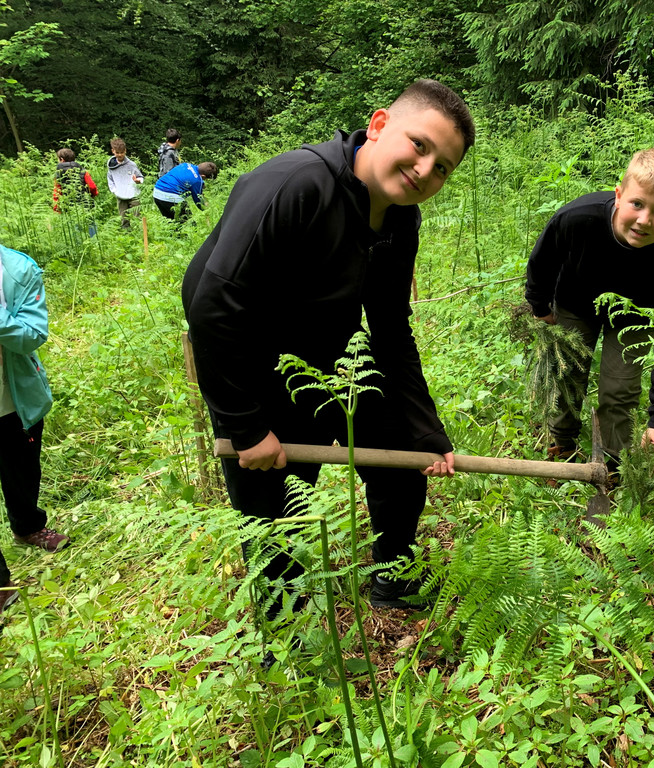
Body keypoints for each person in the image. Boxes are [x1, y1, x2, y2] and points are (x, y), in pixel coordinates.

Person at [182, 79, 474, 619]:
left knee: (403, 461)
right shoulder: (295, 184)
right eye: (420, 145)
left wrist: (425, 428)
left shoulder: (401, 218)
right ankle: (284, 636)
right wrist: (245, 426)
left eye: (443, 168)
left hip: (331, 357)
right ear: (380, 124)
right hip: (252, 369)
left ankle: (394, 577)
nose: (426, 170)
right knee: (277, 512)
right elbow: (211, 306)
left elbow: (389, 326)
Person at [525, 147, 654, 479]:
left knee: (620, 388)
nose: (644, 220)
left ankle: (615, 461)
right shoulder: (579, 218)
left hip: (633, 314)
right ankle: (561, 442)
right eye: (637, 204)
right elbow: (544, 259)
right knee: (566, 373)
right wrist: (540, 306)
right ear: (619, 195)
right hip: (576, 301)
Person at [0, 243, 69, 557]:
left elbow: (33, 334)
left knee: (22, 466)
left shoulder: (17, 270)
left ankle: (27, 526)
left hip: (14, 395)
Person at [52, 148, 100, 237]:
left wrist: (56, 208)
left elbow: (57, 193)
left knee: (76, 227)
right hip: (86, 203)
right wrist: (93, 195)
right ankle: (95, 243)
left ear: (61, 159)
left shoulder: (58, 173)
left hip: (70, 206)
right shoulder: (83, 170)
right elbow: (92, 187)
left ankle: (80, 247)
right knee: (91, 223)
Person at [153, 162, 218, 220]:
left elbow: (186, 177)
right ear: (203, 176)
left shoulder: (186, 164)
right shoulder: (197, 181)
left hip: (157, 192)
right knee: (188, 224)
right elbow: (198, 200)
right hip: (171, 196)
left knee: (171, 222)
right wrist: (207, 211)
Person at [107, 138, 144, 229]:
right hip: (121, 196)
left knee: (137, 216)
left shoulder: (132, 165)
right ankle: (126, 234)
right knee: (124, 217)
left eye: (122, 152)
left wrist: (138, 181)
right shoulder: (111, 167)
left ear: (125, 151)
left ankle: (138, 233)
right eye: (117, 152)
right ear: (113, 151)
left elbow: (140, 177)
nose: (120, 155)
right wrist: (115, 191)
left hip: (134, 195)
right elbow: (110, 180)